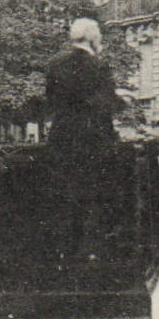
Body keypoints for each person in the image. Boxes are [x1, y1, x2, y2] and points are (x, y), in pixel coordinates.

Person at [44, 17, 122, 255]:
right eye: (98, 35)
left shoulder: (54, 64)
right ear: (91, 37)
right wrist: (122, 101)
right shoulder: (98, 66)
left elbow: (51, 101)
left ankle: (64, 251)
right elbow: (104, 106)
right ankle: (92, 252)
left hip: (61, 140)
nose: (100, 39)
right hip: (92, 142)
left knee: (65, 197)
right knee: (95, 198)